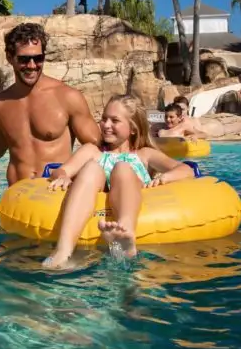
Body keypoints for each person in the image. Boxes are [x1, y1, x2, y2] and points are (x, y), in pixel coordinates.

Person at [42, 94, 197, 269]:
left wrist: (166, 177)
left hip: (129, 191)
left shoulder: (144, 155)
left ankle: (125, 232)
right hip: (96, 194)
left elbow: (185, 170)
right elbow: (61, 170)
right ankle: (64, 250)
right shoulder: (92, 151)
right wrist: (63, 176)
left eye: (114, 120)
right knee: (92, 168)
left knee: (122, 167)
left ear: (132, 128)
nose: (106, 125)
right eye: (104, 119)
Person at [0, 23, 101, 185]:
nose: (32, 65)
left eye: (38, 58)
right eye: (24, 59)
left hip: (53, 193)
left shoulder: (67, 97)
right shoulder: (0, 103)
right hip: (16, 197)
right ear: (10, 57)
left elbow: (98, 146)